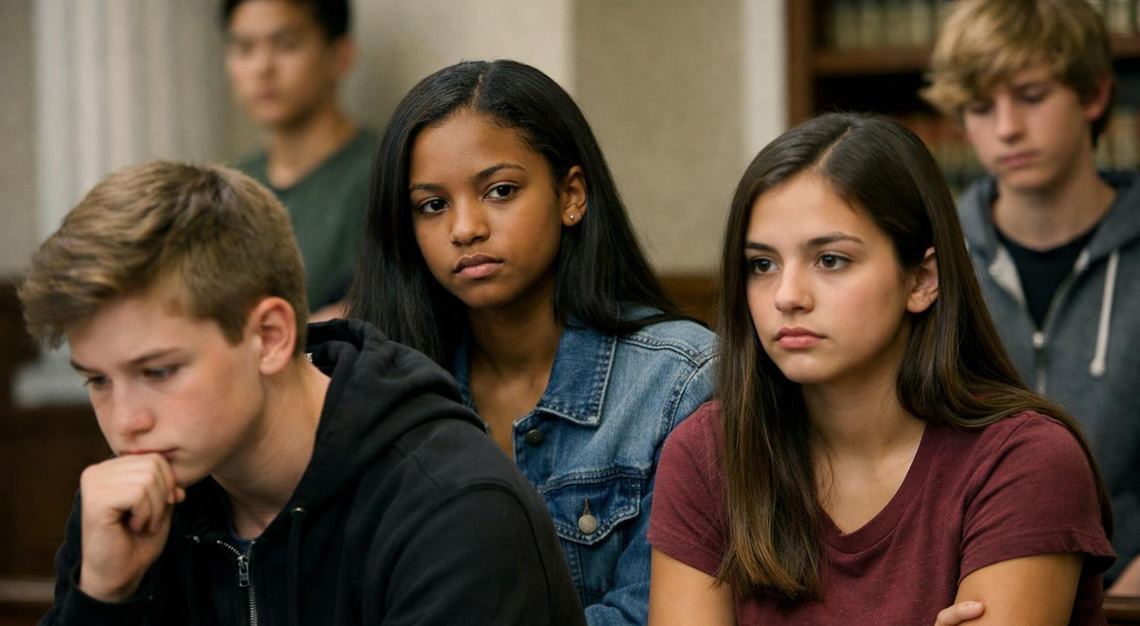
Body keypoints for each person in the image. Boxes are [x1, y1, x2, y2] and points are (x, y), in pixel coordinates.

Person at [21, 161, 586, 625]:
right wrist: (102, 595)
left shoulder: (456, 511)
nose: (125, 423)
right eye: (97, 379)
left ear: (269, 336)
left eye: (159, 372)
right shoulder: (126, 502)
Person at [646, 113, 1114, 624]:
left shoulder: (1026, 461)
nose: (787, 296)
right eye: (763, 264)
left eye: (830, 260)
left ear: (921, 280)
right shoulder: (707, 453)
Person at [347, 59, 717, 625]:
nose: (464, 228)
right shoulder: (384, 393)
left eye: (499, 190)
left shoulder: (679, 382)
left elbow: (653, 616)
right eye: (432, 205)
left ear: (571, 195)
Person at [921, 0, 1140, 594]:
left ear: (1094, 97)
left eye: (1032, 95)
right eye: (980, 107)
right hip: (968, 592)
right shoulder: (927, 263)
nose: (1007, 128)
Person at [223, 0, 377, 320]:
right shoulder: (230, 187)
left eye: (286, 44)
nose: (262, 67)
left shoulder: (384, 171)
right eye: (245, 48)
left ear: (340, 56)